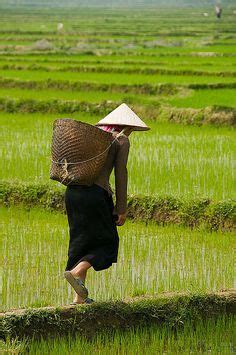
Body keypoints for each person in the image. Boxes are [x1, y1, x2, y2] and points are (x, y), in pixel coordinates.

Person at [63, 103, 150, 304]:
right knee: (108, 241)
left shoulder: (88, 137)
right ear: (126, 127)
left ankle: (79, 298)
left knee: (80, 241)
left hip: (72, 194)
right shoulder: (121, 140)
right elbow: (121, 174)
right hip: (95, 194)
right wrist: (121, 209)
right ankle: (77, 271)